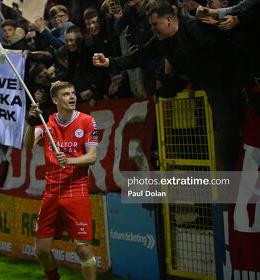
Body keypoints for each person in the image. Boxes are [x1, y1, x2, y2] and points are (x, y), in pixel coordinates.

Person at [93, 0, 248, 170]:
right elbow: (138, 57)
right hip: (214, 89)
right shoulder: (161, 40)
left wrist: (241, 81)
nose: (152, 29)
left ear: (168, 20)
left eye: (154, 24)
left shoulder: (196, 28)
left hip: (234, 82)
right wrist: (108, 61)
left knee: (240, 132)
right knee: (225, 135)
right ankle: (232, 184)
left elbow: (227, 52)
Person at [24, 81, 99, 280]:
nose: (72, 97)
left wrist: (70, 160)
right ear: (56, 100)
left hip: (76, 192)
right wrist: (31, 124)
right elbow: (28, 145)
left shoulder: (87, 121)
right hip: (51, 194)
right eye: (66, 94)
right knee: (41, 251)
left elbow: (92, 157)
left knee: (83, 250)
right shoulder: (47, 123)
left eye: (73, 93)